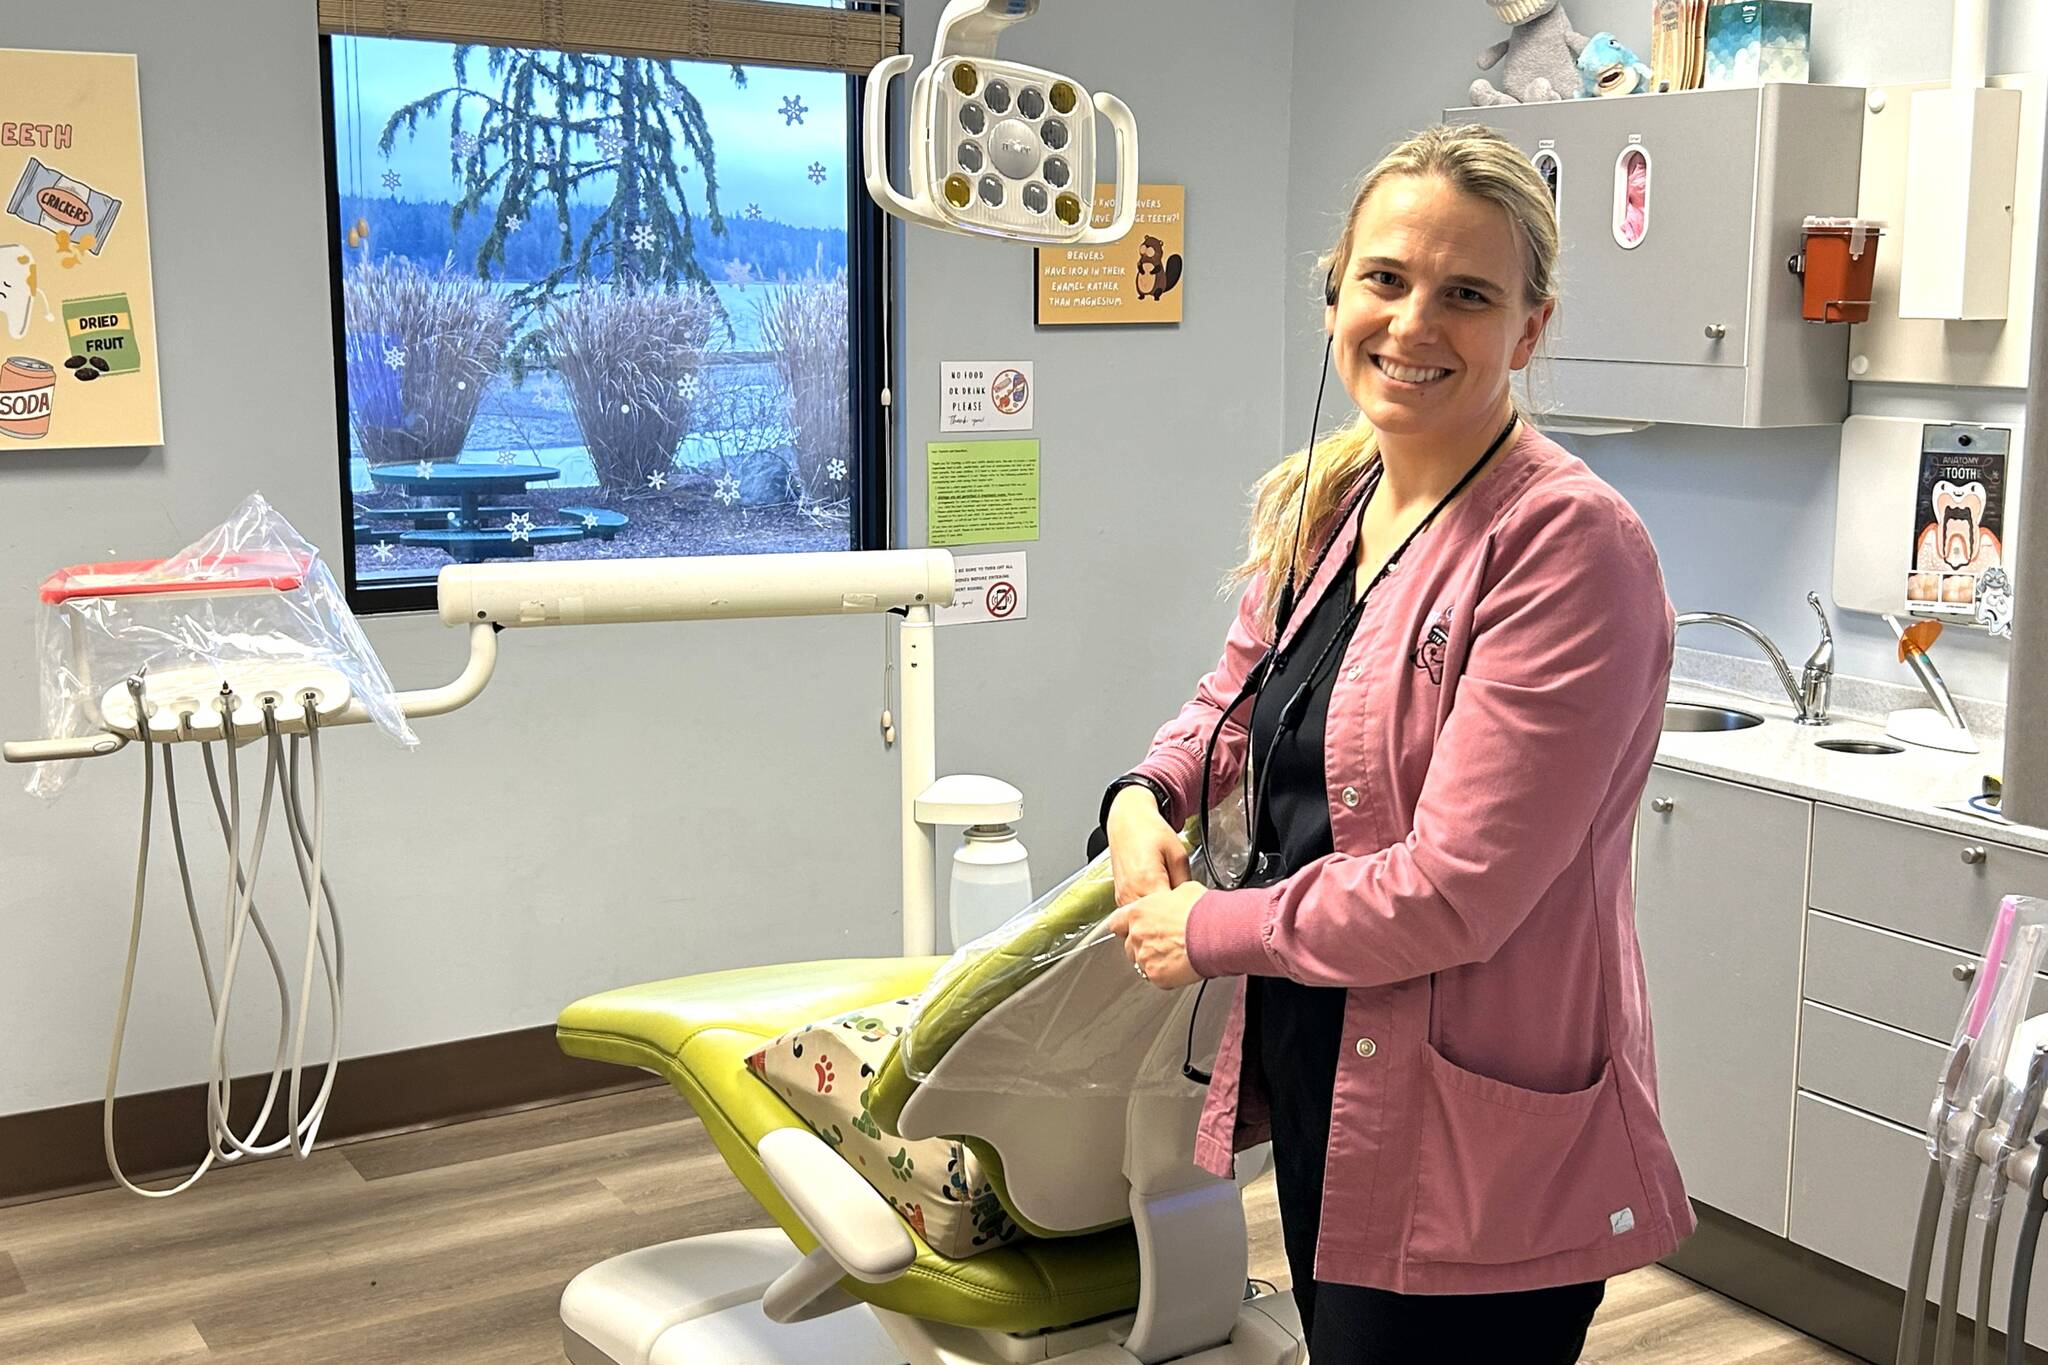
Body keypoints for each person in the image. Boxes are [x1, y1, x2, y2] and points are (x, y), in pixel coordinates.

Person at [1100, 124, 1692, 1363]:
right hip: (1332, 1055)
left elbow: (1454, 892)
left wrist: (1203, 931)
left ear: (1527, 330)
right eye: (1383, 279)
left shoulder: (1564, 549)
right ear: (1334, 294)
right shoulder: (1336, 502)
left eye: (1465, 294)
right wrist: (1140, 797)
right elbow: (1232, 702)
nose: (1413, 322)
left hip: (1477, 1122)